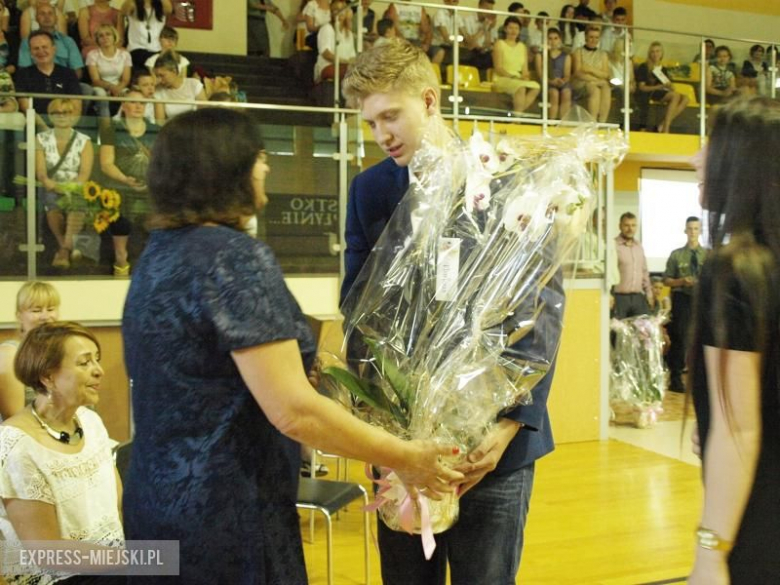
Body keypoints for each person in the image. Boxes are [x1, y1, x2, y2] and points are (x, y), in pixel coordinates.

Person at [121, 107, 462, 584]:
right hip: (225, 511)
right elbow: (292, 412)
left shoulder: (157, 256)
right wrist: (407, 456)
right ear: (227, 169)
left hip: (154, 499)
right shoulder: (232, 259)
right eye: (258, 156)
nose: (265, 167)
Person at [341, 38, 559, 585]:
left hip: (494, 450)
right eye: (370, 123)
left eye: (391, 116)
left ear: (431, 100)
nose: (382, 135)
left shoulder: (508, 180)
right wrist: (385, 430)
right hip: (404, 449)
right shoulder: (369, 191)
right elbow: (358, 311)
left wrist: (511, 423)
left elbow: (542, 308)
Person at [688, 96, 780, 584]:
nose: (696, 159)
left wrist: (710, 550)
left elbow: (738, 429)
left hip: (759, 526)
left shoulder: (736, 270)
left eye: (710, 145)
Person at [0, 321, 124, 584]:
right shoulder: (17, 444)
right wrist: (129, 561)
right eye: (84, 363)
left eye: (97, 360)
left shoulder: (89, 421)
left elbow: (115, 503)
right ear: (48, 377)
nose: (99, 371)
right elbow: (46, 552)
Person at [36, 98, 94, 269]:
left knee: (77, 204)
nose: (61, 116)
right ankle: (67, 247)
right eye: (57, 112)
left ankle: (63, 250)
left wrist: (71, 186)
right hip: (50, 184)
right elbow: (40, 172)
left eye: (66, 112)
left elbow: (84, 174)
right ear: (50, 116)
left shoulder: (84, 140)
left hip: (74, 185)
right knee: (52, 204)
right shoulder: (40, 138)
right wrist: (50, 183)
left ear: (73, 116)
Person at [0, 282, 60, 421]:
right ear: (19, 316)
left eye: (50, 309)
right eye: (36, 310)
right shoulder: (10, 355)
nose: (45, 317)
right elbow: (14, 421)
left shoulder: (62, 352)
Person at [663, 216, 706, 393]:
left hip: (701, 300)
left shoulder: (707, 255)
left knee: (702, 338)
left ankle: (701, 378)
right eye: (690, 229)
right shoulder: (676, 255)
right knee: (680, 338)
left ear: (700, 231)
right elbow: (666, 280)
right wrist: (681, 281)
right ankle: (676, 378)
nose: (693, 232)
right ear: (685, 231)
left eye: (696, 229)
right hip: (682, 299)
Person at [636, 41, 689, 133]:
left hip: (662, 92)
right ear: (649, 54)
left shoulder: (663, 69)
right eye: (653, 51)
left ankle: (662, 124)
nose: (655, 54)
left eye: (657, 51)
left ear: (661, 53)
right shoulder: (644, 66)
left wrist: (670, 86)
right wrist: (659, 86)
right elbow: (642, 88)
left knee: (685, 99)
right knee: (675, 96)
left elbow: (667, 84)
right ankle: (666, 128)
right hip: (650, 92)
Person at [491, 16, 539, 114]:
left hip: (518, 78)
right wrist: (513, 77)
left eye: (516, 28)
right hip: (502, 78)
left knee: (536, 86)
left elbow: (525, 70)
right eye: (511, 28)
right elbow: (498, 68)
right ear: (505, 29)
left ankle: (516, 114)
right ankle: (517, 119)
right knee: (520, 88)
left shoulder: (522, 47)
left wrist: (524, 77)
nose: (513, 31)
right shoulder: (499, 44)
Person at [611, 211, 653, 319]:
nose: (630, 229)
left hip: (638, 297)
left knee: (640, 332)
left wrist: (649, 293)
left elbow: (644, 271)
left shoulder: (639, 246)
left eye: (633, 225)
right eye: (626, 225)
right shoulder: (613, 246)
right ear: (620, 226)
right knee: (618, 333)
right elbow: (610, 273)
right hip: (619, 298)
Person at [86, 24, 132, 118]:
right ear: (97, 39)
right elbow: (95, 80)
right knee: (101, 94)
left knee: (129, 95)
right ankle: (105, 126)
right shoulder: (92, 55)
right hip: (101, 86)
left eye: (108, 34)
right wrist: (111, 87)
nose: (105, 38)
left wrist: (117, 89)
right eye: (101, 36)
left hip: (119, 86)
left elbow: (125, 79)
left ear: (114, 36)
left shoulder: (125, 54)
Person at [152, 51, 206, 123]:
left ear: (174, 71)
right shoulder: (159, 91)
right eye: (157, 76)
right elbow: (159, 121)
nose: (159, 80)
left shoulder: (194, 84)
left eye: (162, 75)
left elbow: (204, 114)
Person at [571, 26, 611, 123]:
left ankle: (602, 122)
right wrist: (595, 78)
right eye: (591, 37)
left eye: (596, 37)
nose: (594, 40)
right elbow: (578, 72)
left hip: (597, 81)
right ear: (586, 37)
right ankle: (592, 122)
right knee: (594, 89)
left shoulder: (603, 54)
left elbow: (606, 74)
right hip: (581, 82)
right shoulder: (578, 51)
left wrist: (590, 69)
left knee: (606, 87)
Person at [121, 0, 173, 69]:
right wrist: (120, 41)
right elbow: (122, 13)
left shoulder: (162, 5)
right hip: (136, 49)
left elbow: (169, 10)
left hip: (156, 49)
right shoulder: (132, 4)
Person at [314, 0, 355, 84]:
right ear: (332, 12)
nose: (340, 12)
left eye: (343, 9)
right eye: (336, 10)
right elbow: (326, 53)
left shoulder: (349, 33)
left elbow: (352, 56)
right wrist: (344, 62)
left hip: (345, 66)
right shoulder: (326, 28)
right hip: (328, 66)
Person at [535, 27, 571, 119]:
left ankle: (563, 123)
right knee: (554, 93)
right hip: (547, 83)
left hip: (561, 82)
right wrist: (551, 82)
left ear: (560, 40)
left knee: (566, 92)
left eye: (555, 38)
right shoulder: (540, 55)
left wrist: (562, 81)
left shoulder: (566, 56)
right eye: (550, 38)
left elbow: (567, 75)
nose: (553, 41)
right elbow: (540, 75)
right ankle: (551, 123)